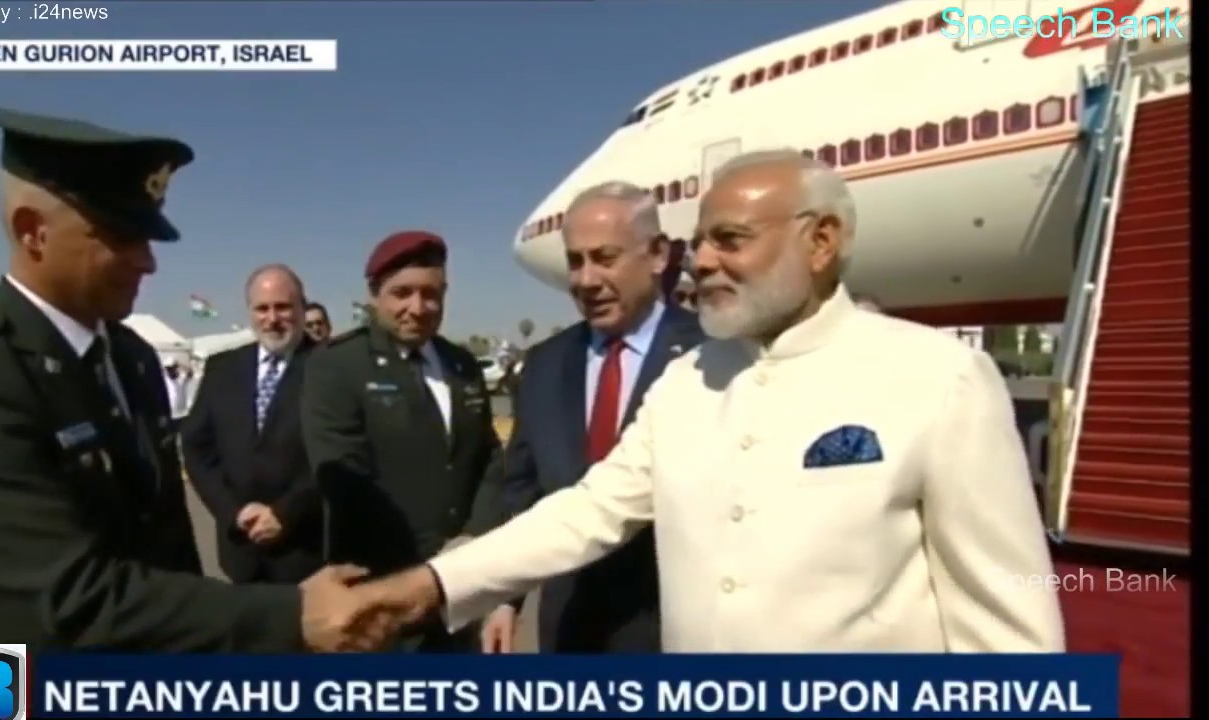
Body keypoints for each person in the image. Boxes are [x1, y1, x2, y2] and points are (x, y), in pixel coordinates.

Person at [338, 148, 1066, 653]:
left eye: (731, 239)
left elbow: (1009, 620)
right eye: (701, 240)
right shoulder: (689, 381)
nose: (704, 259)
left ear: (821, 242)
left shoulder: (938, 377)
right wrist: (429, 585)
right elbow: (584, 513)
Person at [0, 105, 370, 652]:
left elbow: (168, 543)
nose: (148, 263)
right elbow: (74, 594)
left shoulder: (131, 357)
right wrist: (290, 615)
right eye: (120, 234)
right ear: (32, 232)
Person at [479, 181, 703, 654]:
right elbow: (521, 491)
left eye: (604, 257)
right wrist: (506, 599)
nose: (584, 279)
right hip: (570, 626)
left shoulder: (713, 354)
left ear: (659, 255)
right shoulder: (544, 364)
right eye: (575, 261)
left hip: (676, 630)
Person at [301, 230, 504, 652]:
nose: (418, 307)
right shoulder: (337, 366)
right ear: (374, 296)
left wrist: (473, 538)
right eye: (402, 293)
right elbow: (345, 477)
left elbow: (488, 459)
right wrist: (427, 567)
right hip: (380, 594)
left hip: (459, 587)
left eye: (431, 294)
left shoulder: (461, 365)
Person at [181, 264, 324, 584]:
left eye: (283, 307)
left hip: (308, 553)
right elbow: (196, 446)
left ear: (302, 308)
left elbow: (342, 453)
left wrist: (287, 513)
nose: (272, 319)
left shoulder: (330, 368)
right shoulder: (223, 368)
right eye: (262, 308)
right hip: (240, 551)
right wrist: (232, 511)